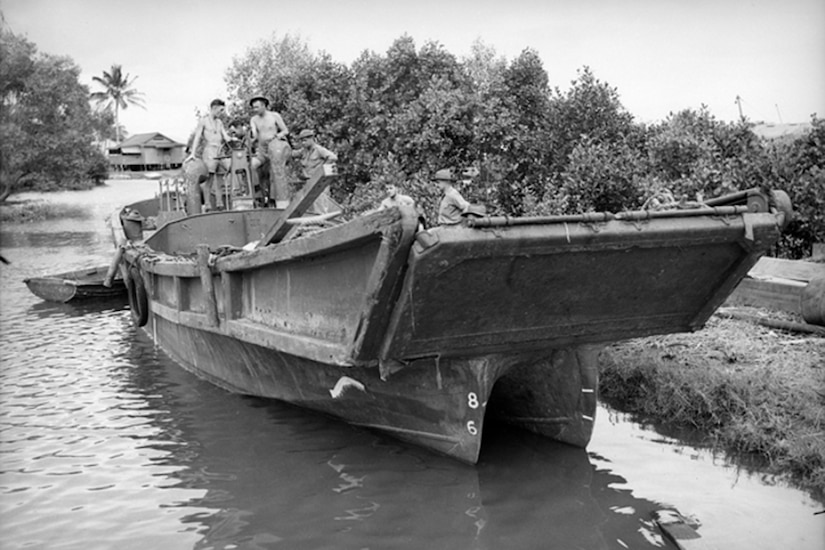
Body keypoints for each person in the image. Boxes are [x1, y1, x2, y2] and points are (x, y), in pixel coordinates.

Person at [186, 99, 233, 210]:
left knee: (221, 176)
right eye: (220, 110)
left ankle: (219, 201)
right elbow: (197, 137)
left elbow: (226, 137)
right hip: (210, 151)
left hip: (220, 150)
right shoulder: (204, 121)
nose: (221, 112)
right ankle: (207, 203)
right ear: (214, 108)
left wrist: (233, 140)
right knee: (210, 178)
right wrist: (192, 153)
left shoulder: (219, 122)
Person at [248, 95, 291, 208]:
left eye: (257, 107)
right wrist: (251, 137)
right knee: (251, 165)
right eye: (253, 108)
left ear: (263, 106)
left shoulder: (274, 116)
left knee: (274, 172)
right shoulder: (254, 119)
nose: (255, 110)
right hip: (262, 150)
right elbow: (254, 134)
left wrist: (277, 136)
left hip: (274, 148)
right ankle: (257, 193)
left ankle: (274, 200)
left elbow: (285, 130)